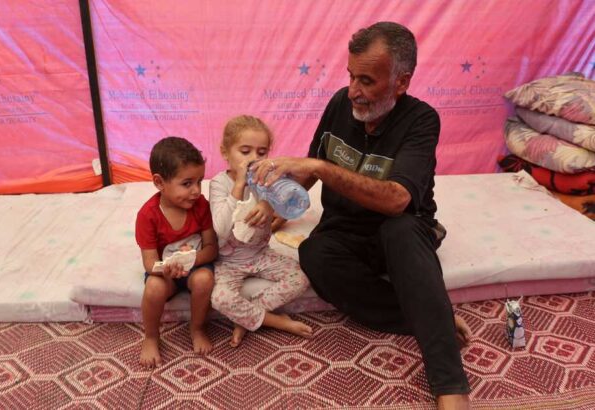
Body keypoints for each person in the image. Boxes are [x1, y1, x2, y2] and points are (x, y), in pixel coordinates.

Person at [251, 22, 472, 409]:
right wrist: (278, 204)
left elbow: (397, 200)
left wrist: (319, 168)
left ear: (401, 82)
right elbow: (311, 169)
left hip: (400, 231)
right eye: (351, 76)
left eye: (367, 80)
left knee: (401, 231)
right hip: (345, 232)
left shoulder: (422, 120)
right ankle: (430, 318)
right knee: (314, 253)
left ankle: (450, 386)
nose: (354, 89)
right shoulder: (340, 104)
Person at [209, 115, 312, 347]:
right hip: (228, 261)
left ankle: (247, 318)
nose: (254, 158)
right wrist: (239, 185)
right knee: (219, 298)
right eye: (245, 151)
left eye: (262, 152)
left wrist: (268, 204)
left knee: (300, 277)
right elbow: (220, 230)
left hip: (260, 254)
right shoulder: (219, 184)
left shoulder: (268, 180)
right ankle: (274, 321)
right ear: (225, 152)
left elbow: (293, 202)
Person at [136, 136, 218, 367]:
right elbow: (150, 263)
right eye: (187, 183)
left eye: (199, 181)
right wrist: (168, 269)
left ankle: (197, 328)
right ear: (159, 182)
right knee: (153, 287)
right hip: (166, 274)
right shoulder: (147, 215)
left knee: (204, 279)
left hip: (196, 268)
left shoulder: (201, 206)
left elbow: (212, 249)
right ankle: (151, 337)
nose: (196, 191)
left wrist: (191, 260)